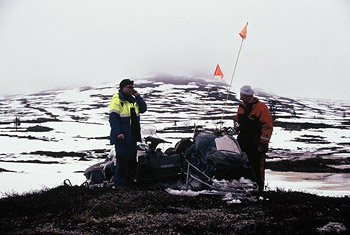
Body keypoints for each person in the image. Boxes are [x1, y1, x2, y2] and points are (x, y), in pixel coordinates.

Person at [233, 85, 273, 193]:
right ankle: (245, 189)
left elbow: (268, 126)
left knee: (257, 168)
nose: (240, 98)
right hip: (243, 141)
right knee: (242, 166)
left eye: (242, 96)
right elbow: (237, 118)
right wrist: (236, 125)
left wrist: (263, 142)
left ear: (247, 96)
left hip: (256, 143)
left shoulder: (261, 108)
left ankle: (259, 191)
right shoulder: (242, 106)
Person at [109, 79, 147, 186]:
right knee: (122, 161)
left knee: (132, 160)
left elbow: (143, 109)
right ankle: (119, 185)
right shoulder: (117, 100)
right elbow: (113, 119)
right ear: (122, 88)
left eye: (132, 87)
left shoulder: (133, 100)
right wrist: (118, 133)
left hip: (132, 136)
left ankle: (130, 183)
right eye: (129, 87)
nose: (132, 89)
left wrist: (138, 96)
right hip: (122, 137)